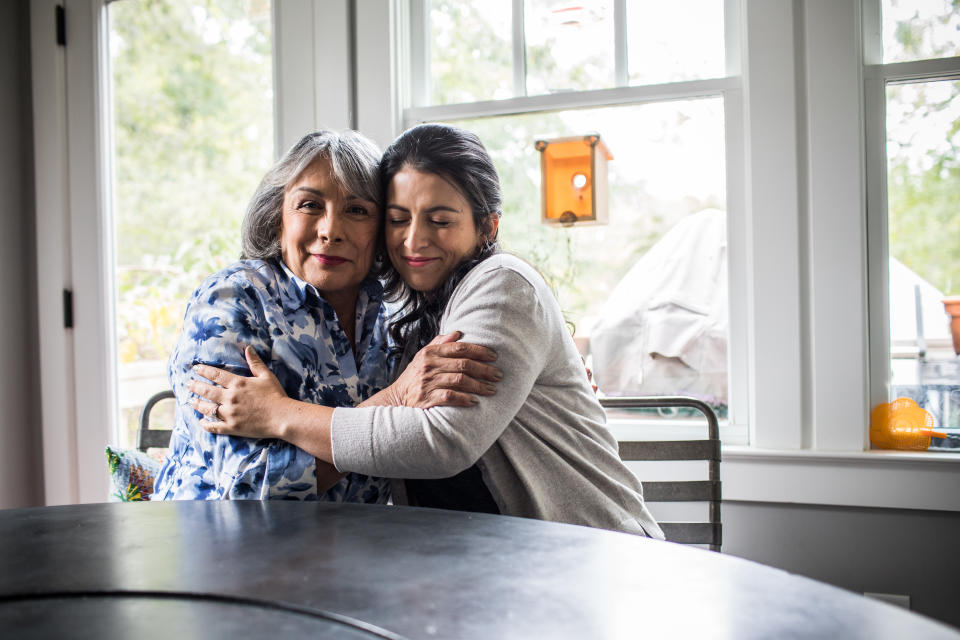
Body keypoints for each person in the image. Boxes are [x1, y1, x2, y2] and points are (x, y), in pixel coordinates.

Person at [192, 124, 663, 537]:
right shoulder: (402, 310)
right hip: (471, 563)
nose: (413, 240)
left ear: (486, 226)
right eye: (398, 219)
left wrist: (279, 414)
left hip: (588, 552)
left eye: (440, 220)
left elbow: (440, 441)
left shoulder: (500, 285)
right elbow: (244, 484)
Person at [153, 130, 500, 502]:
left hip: (351, 553)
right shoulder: (231, 302)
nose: (331, 231)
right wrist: (393, 398)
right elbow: (248, 488)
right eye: (309, 205)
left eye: (357, 211)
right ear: (277, 218)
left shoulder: (390, 320)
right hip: (227, 550)